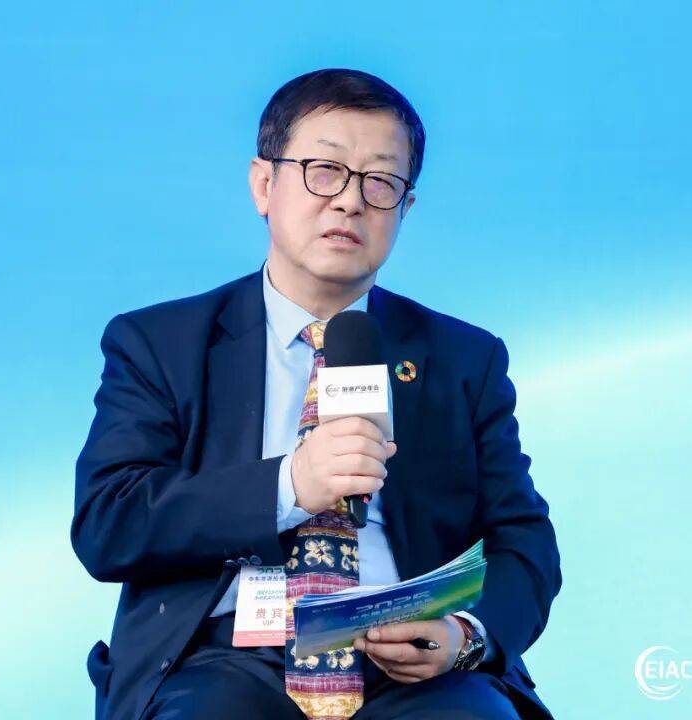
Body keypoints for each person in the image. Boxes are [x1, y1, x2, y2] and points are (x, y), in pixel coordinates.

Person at [72, 68, 562, 720]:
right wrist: (291, 485)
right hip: (220, 658)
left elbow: (523, 543)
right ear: (263, 185)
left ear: (405, 208)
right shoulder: (161, 343)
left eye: (380, 182)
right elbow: (109, 524)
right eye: (325, 171)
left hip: (410, 667)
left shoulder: (463, 359)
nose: (350, 201)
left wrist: (463, 635)